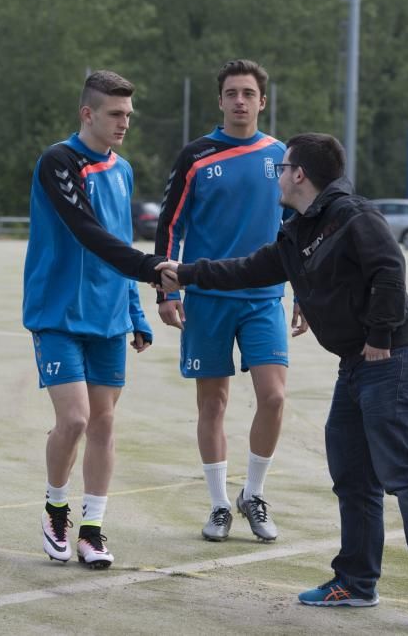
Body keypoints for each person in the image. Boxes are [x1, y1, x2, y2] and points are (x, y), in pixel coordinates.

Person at [155, 133, 408, 629]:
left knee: (403, 471)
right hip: (358, 365)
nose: (277, 176)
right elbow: (247, 269)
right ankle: (356, 580)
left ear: (299, 174)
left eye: (283, 168)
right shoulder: (296, 230)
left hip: (395, 358)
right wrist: (186, 274)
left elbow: (390, 267)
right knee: (351, 474)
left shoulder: (351, 214)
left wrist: (380, 335)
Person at [23, 70, 167, 569]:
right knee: (75, 418)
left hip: (108, 318)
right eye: (114, 114)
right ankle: (55, 508)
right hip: (57, 315)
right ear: (88, 114)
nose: (124, 123)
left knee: (104, 423)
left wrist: (134, 311)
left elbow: (120, 238)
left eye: (128, 114)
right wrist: (150, 270)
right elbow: (87, 231)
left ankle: (92, 529)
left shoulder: (122, 170)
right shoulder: (58, 161)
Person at [153, 60, 293, 543]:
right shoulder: (196, 156)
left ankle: (253, 494)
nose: (239, 101)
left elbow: (297, 231)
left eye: (248, 93)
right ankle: (217, 505)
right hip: (207, 298)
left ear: (262, 101)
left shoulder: (281, 156)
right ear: (220, 101)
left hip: (263, 298)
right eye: (231, 93)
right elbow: (169, 226)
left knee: (274, 397)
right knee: (213, 403)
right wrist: (166, 291)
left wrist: (309, 293)